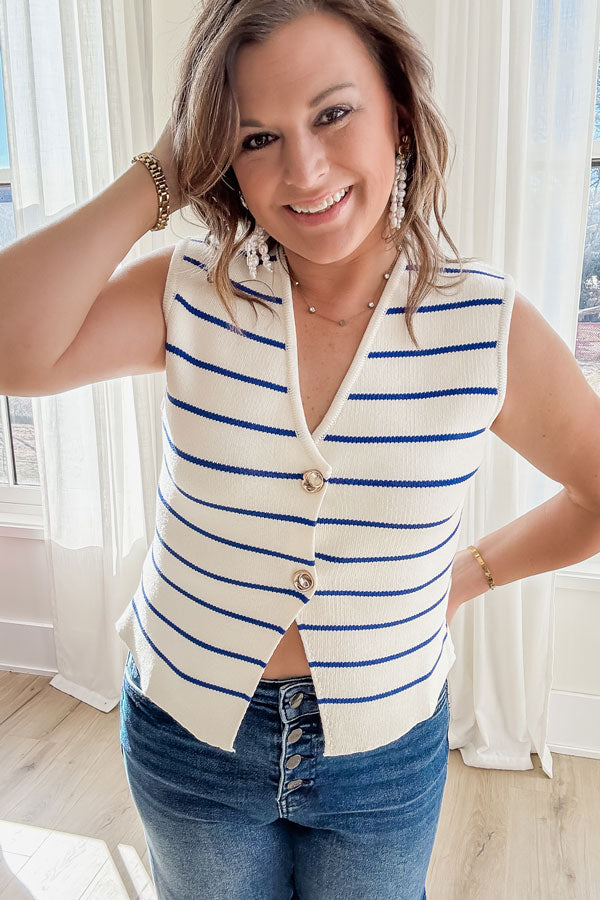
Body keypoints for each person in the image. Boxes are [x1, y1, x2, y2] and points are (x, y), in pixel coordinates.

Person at [2, 1, 599, 898]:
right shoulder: (191, 293)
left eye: (333, 113)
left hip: (383, 749)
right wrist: (161, 173)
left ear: (398, 113)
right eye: (256, 138)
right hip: (189, 730)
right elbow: (13, 347)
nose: (305, 169)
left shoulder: (484, 322)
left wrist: (466, 576)